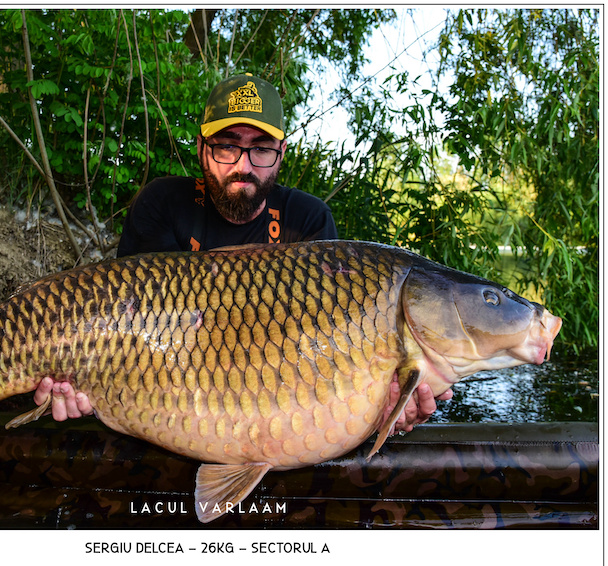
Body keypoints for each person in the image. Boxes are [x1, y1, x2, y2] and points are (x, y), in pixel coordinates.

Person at [33, 73, 451, 433]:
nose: (243, 165)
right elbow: (130, 326)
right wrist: (87, 380)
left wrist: (374, 405)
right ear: (201, 147)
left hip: (263, 407)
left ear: (281, 153)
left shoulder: (308, 221)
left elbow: (315, 361)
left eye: (261, 148)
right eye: (227, 146)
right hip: (166, 400)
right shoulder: (161, 204)